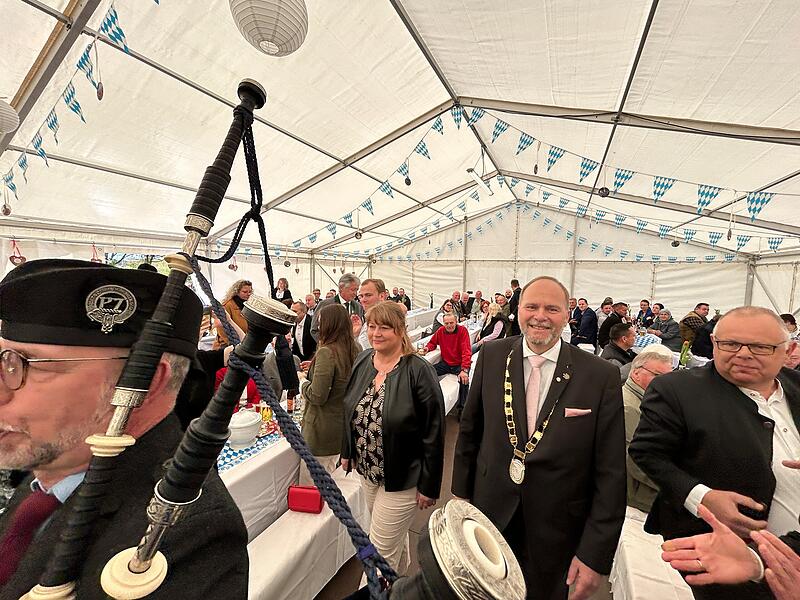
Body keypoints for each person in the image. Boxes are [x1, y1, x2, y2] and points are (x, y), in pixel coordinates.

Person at [0, 259, 247, 597]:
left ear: (144, 383)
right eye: (2, 361)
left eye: (25, 364)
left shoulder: (189, 533)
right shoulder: (52, 469)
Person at [452, 276, 626, 600]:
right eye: (531, 306)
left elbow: (612, 471)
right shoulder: (491, 357)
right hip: (489, 514)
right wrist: (461, 499)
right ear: (518, 310)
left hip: (558, 528)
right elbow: (470, 430)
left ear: (567, 314)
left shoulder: (599, 375)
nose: (540, 315)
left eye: (552, 308)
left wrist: (595, 554)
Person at [630, 306, 800, 600]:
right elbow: (647, 453)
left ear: (789, 350)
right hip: (724, 557)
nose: (743, 354)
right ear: (714, 343)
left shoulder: (796, 388)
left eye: (759, 346)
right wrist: (702, 497)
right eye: (730, 344)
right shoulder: (677, 390)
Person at [340, 302, 444, 577]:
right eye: (372, 326)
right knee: (389, 538)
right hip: (368, 472)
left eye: (384, 327)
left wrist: (430, 485)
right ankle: (399, 588)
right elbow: (349, 407)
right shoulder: (363, 361)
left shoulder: (418, 370)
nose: (376, 333)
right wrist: (347, 449)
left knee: (377, 551)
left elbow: (434, 431)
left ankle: (373, 590)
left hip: (403, 478)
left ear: (401, 330)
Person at [296, 304, 360, 485]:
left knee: (313, 488)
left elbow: (317, 395)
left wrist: (302, 381)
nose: (317, 326)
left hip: (320, 433)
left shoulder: (327, 352)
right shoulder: (355, 348)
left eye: (321, 321)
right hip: (341, 428)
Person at [622, 350, 673, 512]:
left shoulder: (645, 402)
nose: (666, 383)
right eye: (658, 376)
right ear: (636, 373)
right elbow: (635, 460)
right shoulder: (628, 408)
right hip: (637, 499)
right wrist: (678, 485)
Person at [419, 314, 471, 386]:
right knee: (427, 373)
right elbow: (432, 343)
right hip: (446, 364)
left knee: (464, 381)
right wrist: (427, 348)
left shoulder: (462, 331)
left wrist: (464, 369)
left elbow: (466, 351)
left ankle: (464, 397)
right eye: (446, 323)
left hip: (459, 364)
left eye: (451, 323)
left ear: (456, 321)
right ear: (443, 323)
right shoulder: (441, 331)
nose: (449, 325)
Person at [311, 274, 363, 341]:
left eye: (357, 290)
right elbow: (314, 330)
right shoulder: (325, 304)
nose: (355, 293)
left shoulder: (358, 306)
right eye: (353, 290)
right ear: (341, 288)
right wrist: (327, 345)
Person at [213, 279, 252, 349]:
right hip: (227, 346)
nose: (248, 294)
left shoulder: (248, 306)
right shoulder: (227, 305)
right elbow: (221, 328)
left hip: (243, 344)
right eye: (245, 292)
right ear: (236, 292)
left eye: (250, 292)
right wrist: (235, 344)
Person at [353, 278, 388, 350]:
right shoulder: (368, 320)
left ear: (382, 296)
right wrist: (356, 334)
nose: (363, 300)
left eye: (368, 295)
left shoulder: (389, 321)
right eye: (361, 296)